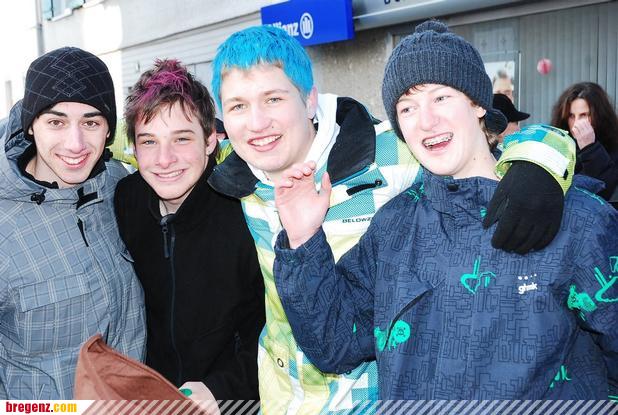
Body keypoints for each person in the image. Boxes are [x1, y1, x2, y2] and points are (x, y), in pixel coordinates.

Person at [207, 25, 576, 412]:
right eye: (238, 106)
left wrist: (538, 162)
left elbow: (476, 143)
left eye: (273, 99)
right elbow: (171, 154)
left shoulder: (391, 151)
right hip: (284, 402)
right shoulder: (232, 175)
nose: (256, 123)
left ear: (310, 100)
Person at [0, 47, 146, 399]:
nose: (75, 143)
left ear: (108, 129)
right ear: (31, 125)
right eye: (56, 122)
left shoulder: (119, 185)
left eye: (91, 122)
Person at [114, 59, 264, 401]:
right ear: (134, 147)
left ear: (210, 140)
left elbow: (277, 329)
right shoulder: (125, 200)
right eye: (149, 142)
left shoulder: (246, 210)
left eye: (181, 139)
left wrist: (220, 390)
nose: (164, 159)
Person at [551, 81, 618, 202]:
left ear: (599, 115)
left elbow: (604, 191)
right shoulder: (560, 145)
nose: (576, 123)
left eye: (583, 115)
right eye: (571, 116)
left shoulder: (613, 144)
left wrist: (590, 148)